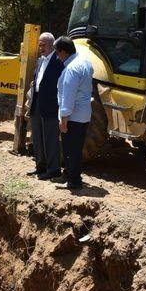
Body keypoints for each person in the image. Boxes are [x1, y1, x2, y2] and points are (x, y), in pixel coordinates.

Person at [54, 36, 94, 190]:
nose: (57, 57)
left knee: (70, 149)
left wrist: (64, 118)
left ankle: (74, 181)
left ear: (64, 52)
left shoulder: (71, 69)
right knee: (76, 148)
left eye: (57, 53)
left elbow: (68, 96)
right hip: (84, 114)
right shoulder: (85, 62)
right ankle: (70, 174)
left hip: (73, 115)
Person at [27, 32, 64, 180]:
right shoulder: (40, 61)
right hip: (37, 104)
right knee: (37, 137)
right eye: (39, 44)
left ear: (51, 45)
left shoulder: (58, 62)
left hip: (51, 105)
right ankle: (40, 166)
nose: (40, 47)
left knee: (50, 139)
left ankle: (53, 170)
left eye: (42, 45)